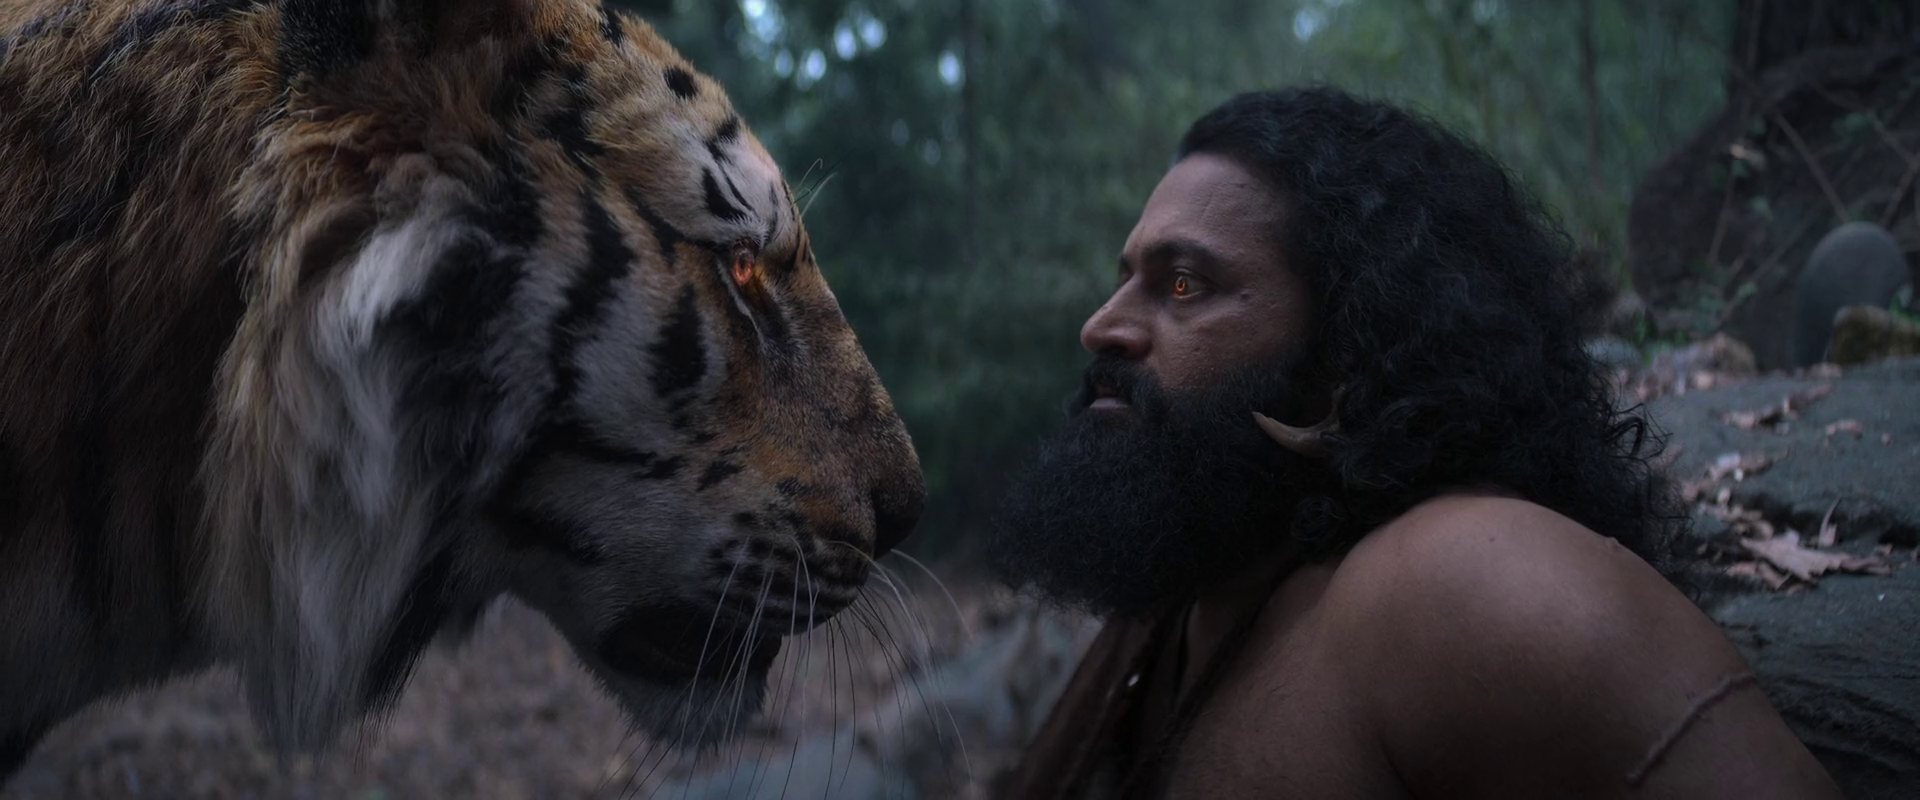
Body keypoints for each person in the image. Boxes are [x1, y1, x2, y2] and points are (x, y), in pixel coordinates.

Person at [987, 87, 1842, 799]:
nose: (1101, 326)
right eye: (1124, 280)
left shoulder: (1470, 581)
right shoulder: (1184, 596)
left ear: (1348, 352)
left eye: (1183, 285)